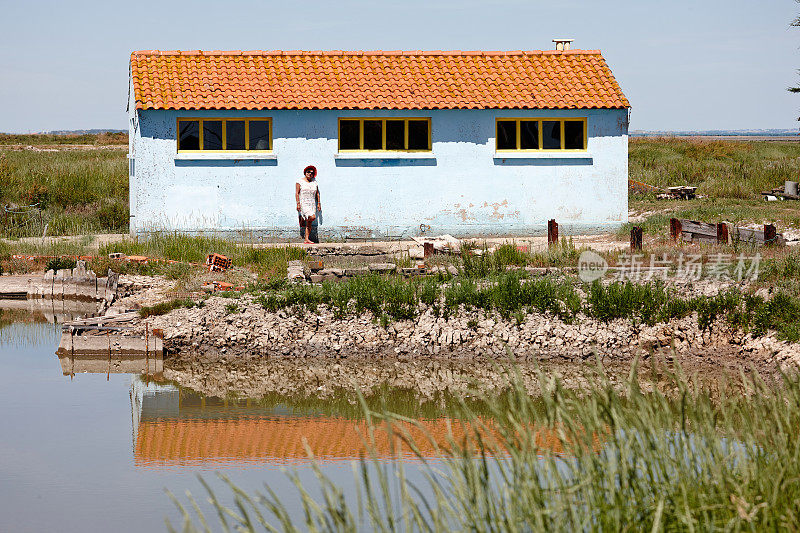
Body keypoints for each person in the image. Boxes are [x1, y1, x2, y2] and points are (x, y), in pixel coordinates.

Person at [296, 165, 321, 244]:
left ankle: (306, 239)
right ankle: (303, 219)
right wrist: (298, 204)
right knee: (312, 217)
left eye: (312, 173)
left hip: (312, 203)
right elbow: (297, 193)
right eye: (308, 172)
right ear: (305, 172)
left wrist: (319, 203)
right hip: (304, 203)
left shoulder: (314, 182)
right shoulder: (300, 181)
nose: (310, 174)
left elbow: (317, 194)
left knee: (309, 221)